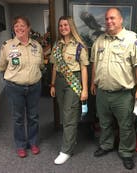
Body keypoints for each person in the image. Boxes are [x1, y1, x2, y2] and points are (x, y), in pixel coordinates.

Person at [90, 8, 137, 170]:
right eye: (107, 19)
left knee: (126, 125)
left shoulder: (131, 39)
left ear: (121, 20)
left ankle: (127, 152)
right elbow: (95, 62)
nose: (109, 21)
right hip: (102, 92)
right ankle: (106, 145)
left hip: (123, 94)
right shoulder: (100, 40)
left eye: (113, 18)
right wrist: (93, 82)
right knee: (104, 122)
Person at [0, 16, 44, 158]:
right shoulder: (7, 46)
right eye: (16, 25)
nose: (19, 28)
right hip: (14, 88)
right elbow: (1, 67)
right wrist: (12, 80)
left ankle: (33, 142)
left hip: (34, 87)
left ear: (28, 28)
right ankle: (21, 145)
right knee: (18, 118)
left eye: (22, 25)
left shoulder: (37, 46)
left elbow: (41, 65)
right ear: (14, 29)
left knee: (33, 116)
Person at [50, 16, 89, 164]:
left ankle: (66, 150)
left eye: (65, 25)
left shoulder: (80, 46)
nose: (63, 27)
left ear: (71, 26)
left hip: (73, 82)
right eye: (60, 25)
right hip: (59, 82)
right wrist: (53, 84)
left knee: (69, 115)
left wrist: (84, 90)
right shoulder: (57, 45)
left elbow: (84, 68)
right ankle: (71, 140)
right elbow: (54, 65)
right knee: (64, 113)